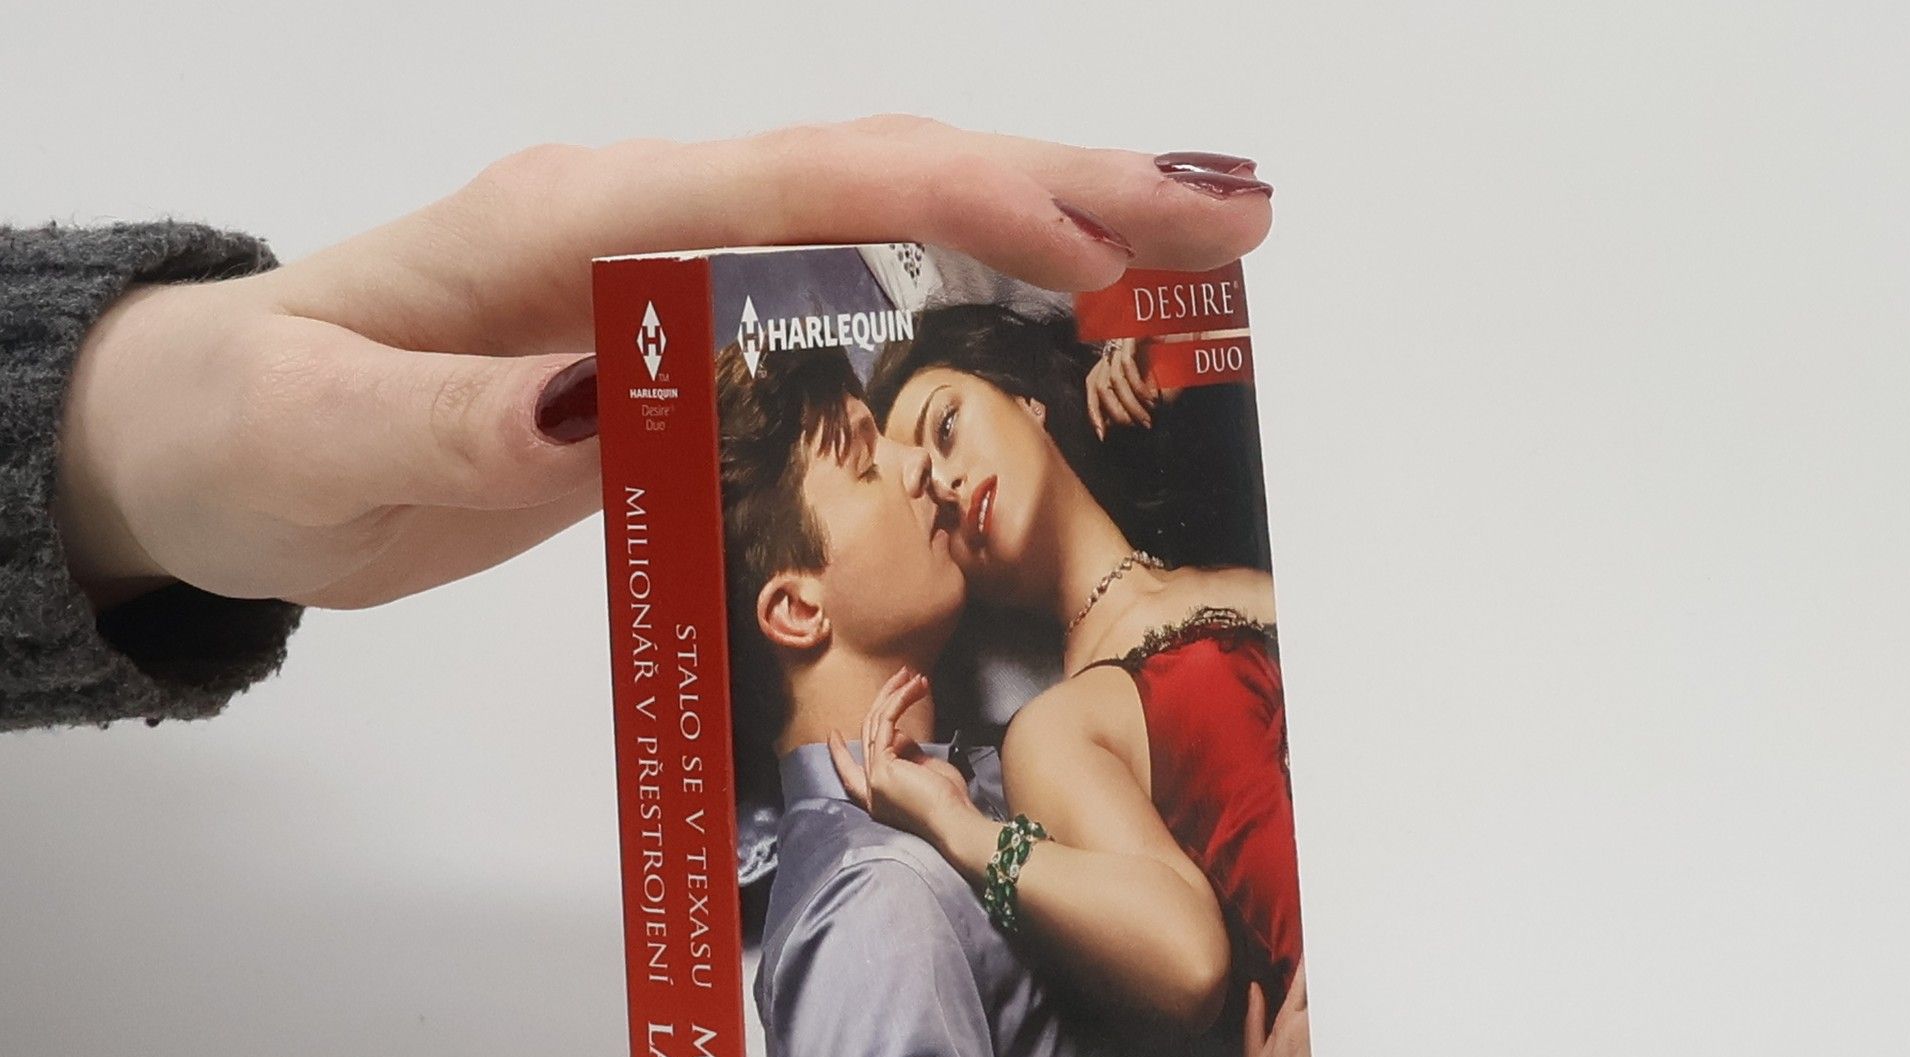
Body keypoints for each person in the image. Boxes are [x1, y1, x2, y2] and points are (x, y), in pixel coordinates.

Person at [1, 121, 1275, 731]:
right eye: (895, 442)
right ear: (791, 606)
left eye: (925, 430)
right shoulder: (1039, 738)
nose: (924, 478)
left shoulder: (1169, 454)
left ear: (1036, 397)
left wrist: (99, 454)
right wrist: (95, 455)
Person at [719, 338, 1317, 1057]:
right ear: (795, 607)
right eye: (869, 461)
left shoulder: (972, 786)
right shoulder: (871, 909)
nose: (920, 472)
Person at [854, 304, 1302, 1038]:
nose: (949, 483)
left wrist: (1193, 356)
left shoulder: (1225, 542)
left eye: (947, 427)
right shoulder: (1051, 734)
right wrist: (962, 831)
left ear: (1025, 401)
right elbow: (1190, 967)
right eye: (929, 499)